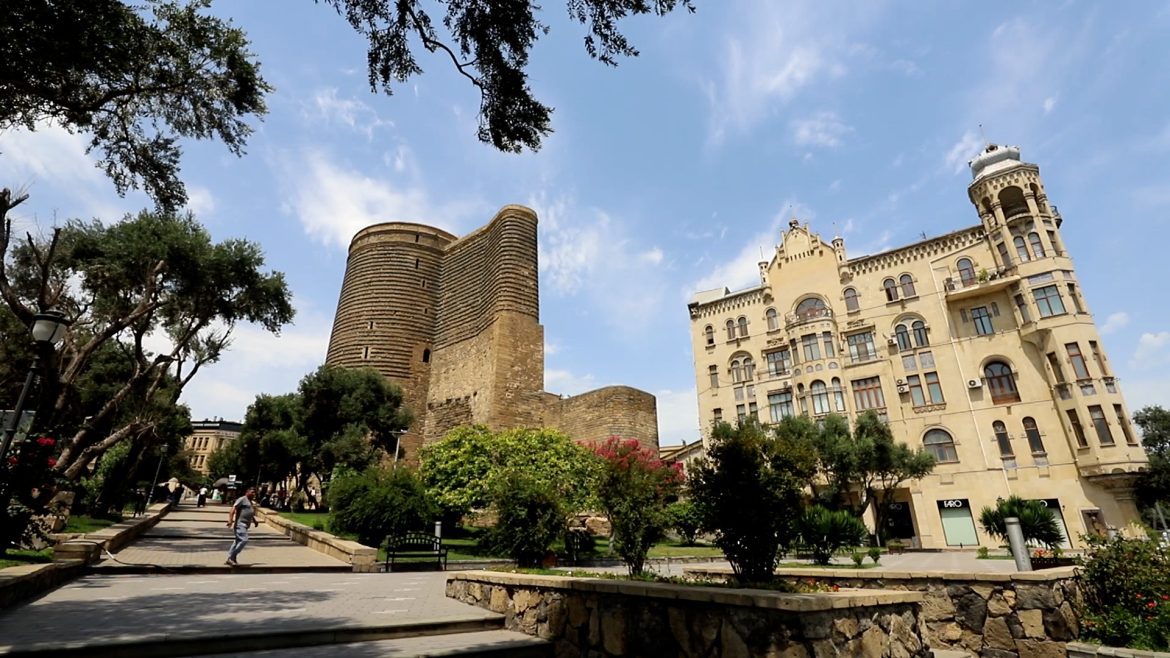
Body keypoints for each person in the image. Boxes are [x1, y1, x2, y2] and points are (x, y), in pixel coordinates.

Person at [225, 486, 259, 566]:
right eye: (252, 492)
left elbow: (249, 512)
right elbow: (233, 509)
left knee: (237, 542)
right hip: (240, 524)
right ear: (247, 492)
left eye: (254, 492)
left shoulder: (250, 502)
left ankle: (230, 558)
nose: (253, 494)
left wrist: (254, 521)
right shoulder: (242, 499)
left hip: (245, 525)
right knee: (244, 540)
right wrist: (230, 520)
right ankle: (232, 557)